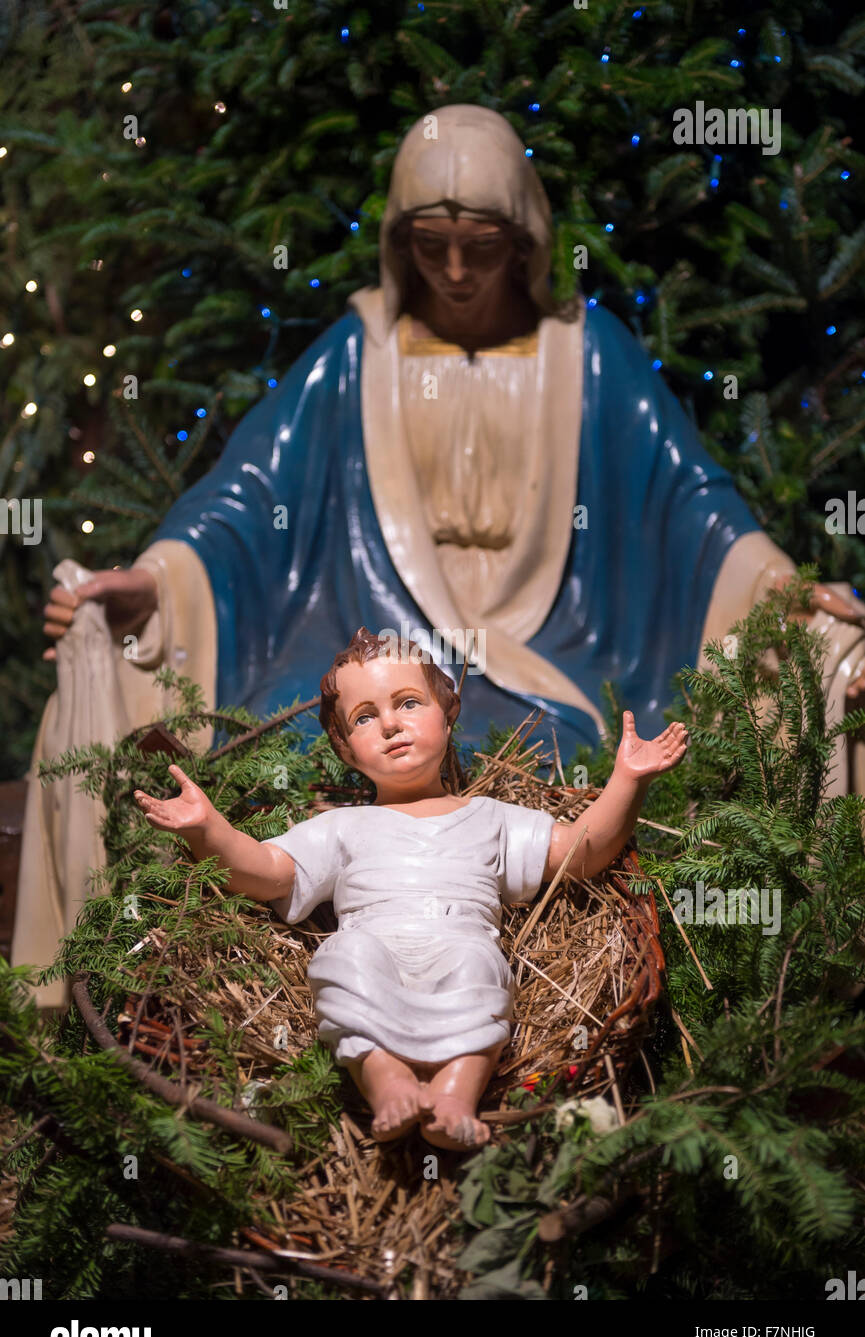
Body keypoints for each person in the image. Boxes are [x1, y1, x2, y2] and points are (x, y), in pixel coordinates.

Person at [18, 103, 865, 1008]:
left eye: (482, 246)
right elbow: (247, 499)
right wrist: (150, 584)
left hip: (555, 646)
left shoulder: (584, 351)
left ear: (524, 240)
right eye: (431, 245)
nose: (456, 271)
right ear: (399, 241)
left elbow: (692, 506)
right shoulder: (359, 351)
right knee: (280, 733)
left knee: (571, 742)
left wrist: (780, 589)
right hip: (373, 634)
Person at [133, 628, 688, 1150]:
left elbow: (577, 854)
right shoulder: (342, 826)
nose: (390, 725)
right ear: (346, 749)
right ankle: (388, 1083)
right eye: (365, 717)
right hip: (375, 948)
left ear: (448, 715)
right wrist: (208, 830)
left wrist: (627, 780)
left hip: (461, 944)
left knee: (480, 969)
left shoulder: (490, 817)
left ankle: (455, 1096)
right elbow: (268, 870)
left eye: (408, 703)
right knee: (343, 957)